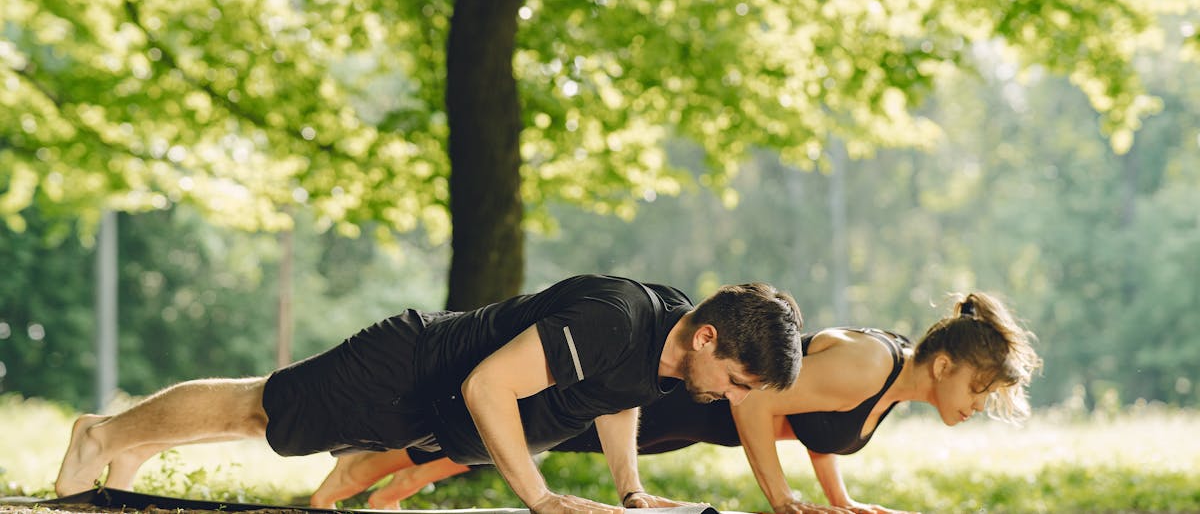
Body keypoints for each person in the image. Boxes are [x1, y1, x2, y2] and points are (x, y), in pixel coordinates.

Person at [54, 274, 804, 514]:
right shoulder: (617, 319)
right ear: (707, 338)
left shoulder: (668, 345)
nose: (735, 399)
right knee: (260, 410)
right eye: (738, 382)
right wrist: (541, 499)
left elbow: (616, 397)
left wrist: (630, 489)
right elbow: (489, 387)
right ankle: (103, 435)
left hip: (428, 411)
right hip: (407, 368)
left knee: (264, 420)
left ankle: (130, 445)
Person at [310, 292, 1040, 514]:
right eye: (980, 389)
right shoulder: (871, 363)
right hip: (674, 402)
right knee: (530, 426)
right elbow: (755, 406)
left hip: (681, 425)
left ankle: (390, 481)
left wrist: (838, 501)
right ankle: (368, 466)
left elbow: (819, 427)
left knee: (534, 433)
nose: (979, 405)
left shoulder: (889, 380)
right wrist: (782, 502)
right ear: (945, 364)